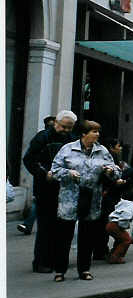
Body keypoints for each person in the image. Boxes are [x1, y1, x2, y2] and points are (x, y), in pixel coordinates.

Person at [51, 120, 120, 281]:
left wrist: (111, 171)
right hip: (70, 198)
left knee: (87, 236)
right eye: (94, 131)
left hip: (92, 198)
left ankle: (84, 269)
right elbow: (54, 170)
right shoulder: (68, 149)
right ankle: (60, 271)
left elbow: (117, 170)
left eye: (98, 131)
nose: (97, 134)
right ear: (84, 133)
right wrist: (68, 173)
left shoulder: (101, 151)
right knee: (64, 236)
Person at [21, 110, 77, 272]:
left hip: (65, 188)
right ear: (56, 123)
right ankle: (41, 262)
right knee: (46, 226)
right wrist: (43, 174)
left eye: (69, 128)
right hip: (45, 188)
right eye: (64, 127)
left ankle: (54, 260)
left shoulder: (71, 140)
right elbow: (29, 159)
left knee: (61, 227)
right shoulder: (43, 137)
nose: (66, 130)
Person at [18, 116, 58, 236]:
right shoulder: (44, 137)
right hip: (45, 175)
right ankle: (29, 225)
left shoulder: (42, 136)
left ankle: (28, 225)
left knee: (39, 202)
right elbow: (30, 159)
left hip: (45, 175)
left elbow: (30, 159)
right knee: (40, 202)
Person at [95, 138, 131, 260]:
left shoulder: (116, 159)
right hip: (108, 196)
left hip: (111, 195)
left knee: (105, 224)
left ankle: (102, 249)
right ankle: (101, 250)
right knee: (105, 224)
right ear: (111, 147)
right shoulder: (108, 160)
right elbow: (106, 179)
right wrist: (117, 182)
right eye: (118, 146)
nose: (120, 148)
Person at [106, 186, 133, 264]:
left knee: (119, 239)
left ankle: (112, 253)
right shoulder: (132, 206)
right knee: (126, 240)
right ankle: (116, 256)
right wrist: (123, 226)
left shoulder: (123, 202)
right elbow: (126, 215)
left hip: (110, 224)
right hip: (116, 225)